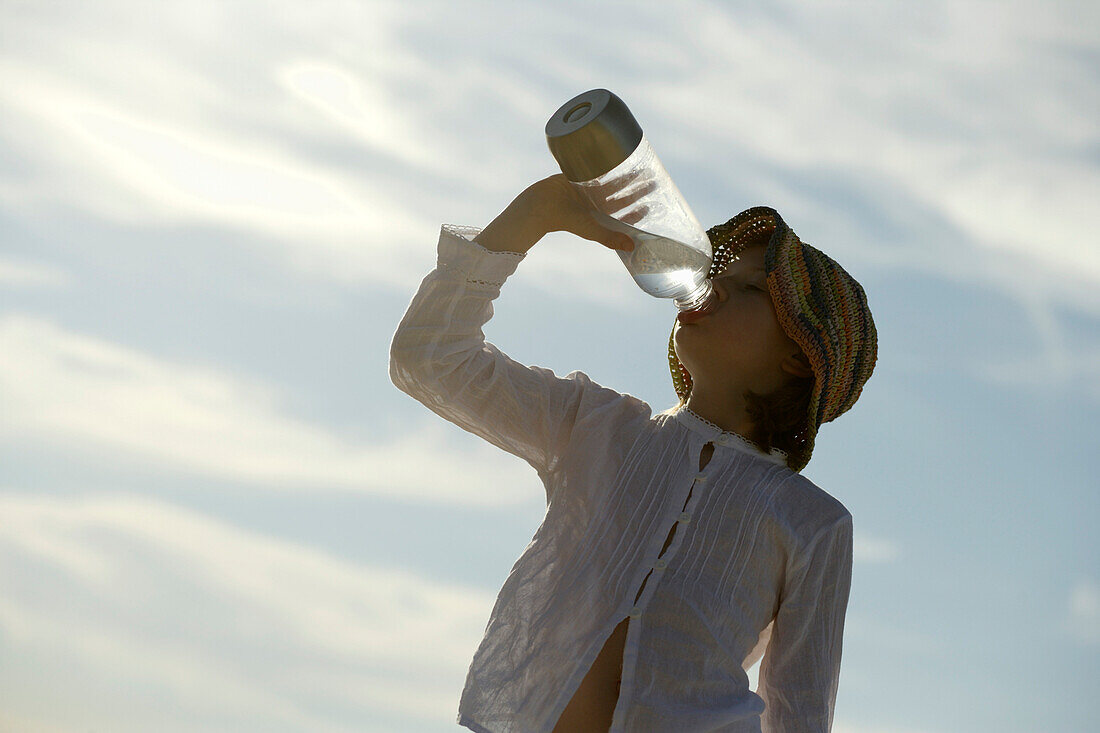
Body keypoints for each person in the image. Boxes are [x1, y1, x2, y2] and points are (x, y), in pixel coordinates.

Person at [389, 173, 878, 733]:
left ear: (800, 354)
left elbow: (801, 715)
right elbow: (429, 358)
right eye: (718, 273)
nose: (710, 288)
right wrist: (536, 212)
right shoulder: (597, 426)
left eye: (747, 289)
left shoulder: (813, 521)